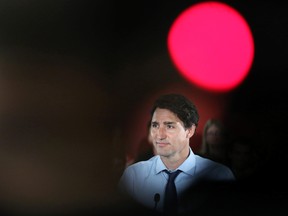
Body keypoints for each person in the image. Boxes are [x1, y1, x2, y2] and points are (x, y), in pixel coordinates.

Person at [118, 93, 235, 215]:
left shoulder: (219, 175)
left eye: (169, 126)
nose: (160, 135)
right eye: (155, 125)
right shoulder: (133, 176)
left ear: (190, 131)